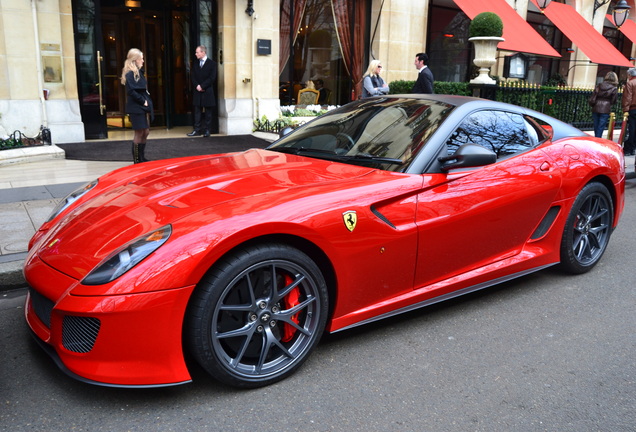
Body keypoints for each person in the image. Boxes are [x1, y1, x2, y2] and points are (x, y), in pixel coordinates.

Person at [121, 48, 153, 164]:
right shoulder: (130, 74)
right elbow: (131, 91)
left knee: (146, 132)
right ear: (135, 60)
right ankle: (137, 160)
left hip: (140, 106)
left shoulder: (139, 72)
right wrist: (142, 101)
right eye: (141, 59)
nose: (143, 61)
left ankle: (142, 157)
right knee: (139, 132)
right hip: (136, 107)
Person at [187, 45, 217, 137]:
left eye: (197, 52)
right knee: (197, 111)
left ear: (203, 52)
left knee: (208, 112)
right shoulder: (195, 63)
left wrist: (203, 86)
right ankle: (197, 130)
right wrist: (197, 86)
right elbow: (193, 76)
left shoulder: (212, 64)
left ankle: (207, 130)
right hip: (197, 91)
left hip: (207, 90)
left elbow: (212, 78)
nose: (195, 54)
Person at [589, 72, 618, 138]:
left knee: (596, 126)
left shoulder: (599, 85)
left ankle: (596, 138)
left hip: (596, 107)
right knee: (601, 126)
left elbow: (594, 95)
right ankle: (598, 139)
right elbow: (613, 100)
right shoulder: (614, 88)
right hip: (605, 108)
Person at [622, 68, 636, 156]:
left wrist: (625, 110)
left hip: (633, 109)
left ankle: (628, 149)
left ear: (630, 75)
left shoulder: (630, 83)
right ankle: (633, 148)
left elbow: (628, 98)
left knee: (631, 129)